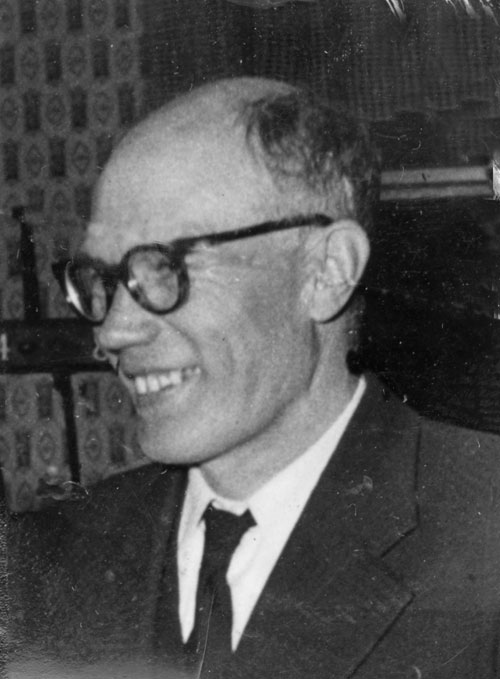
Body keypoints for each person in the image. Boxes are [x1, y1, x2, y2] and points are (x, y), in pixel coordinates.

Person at [9, 77, 500, 679]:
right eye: (103, 280)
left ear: (326, 272)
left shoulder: (482, 530)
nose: (112, 330)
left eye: (164, 268)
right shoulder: (41, 564)